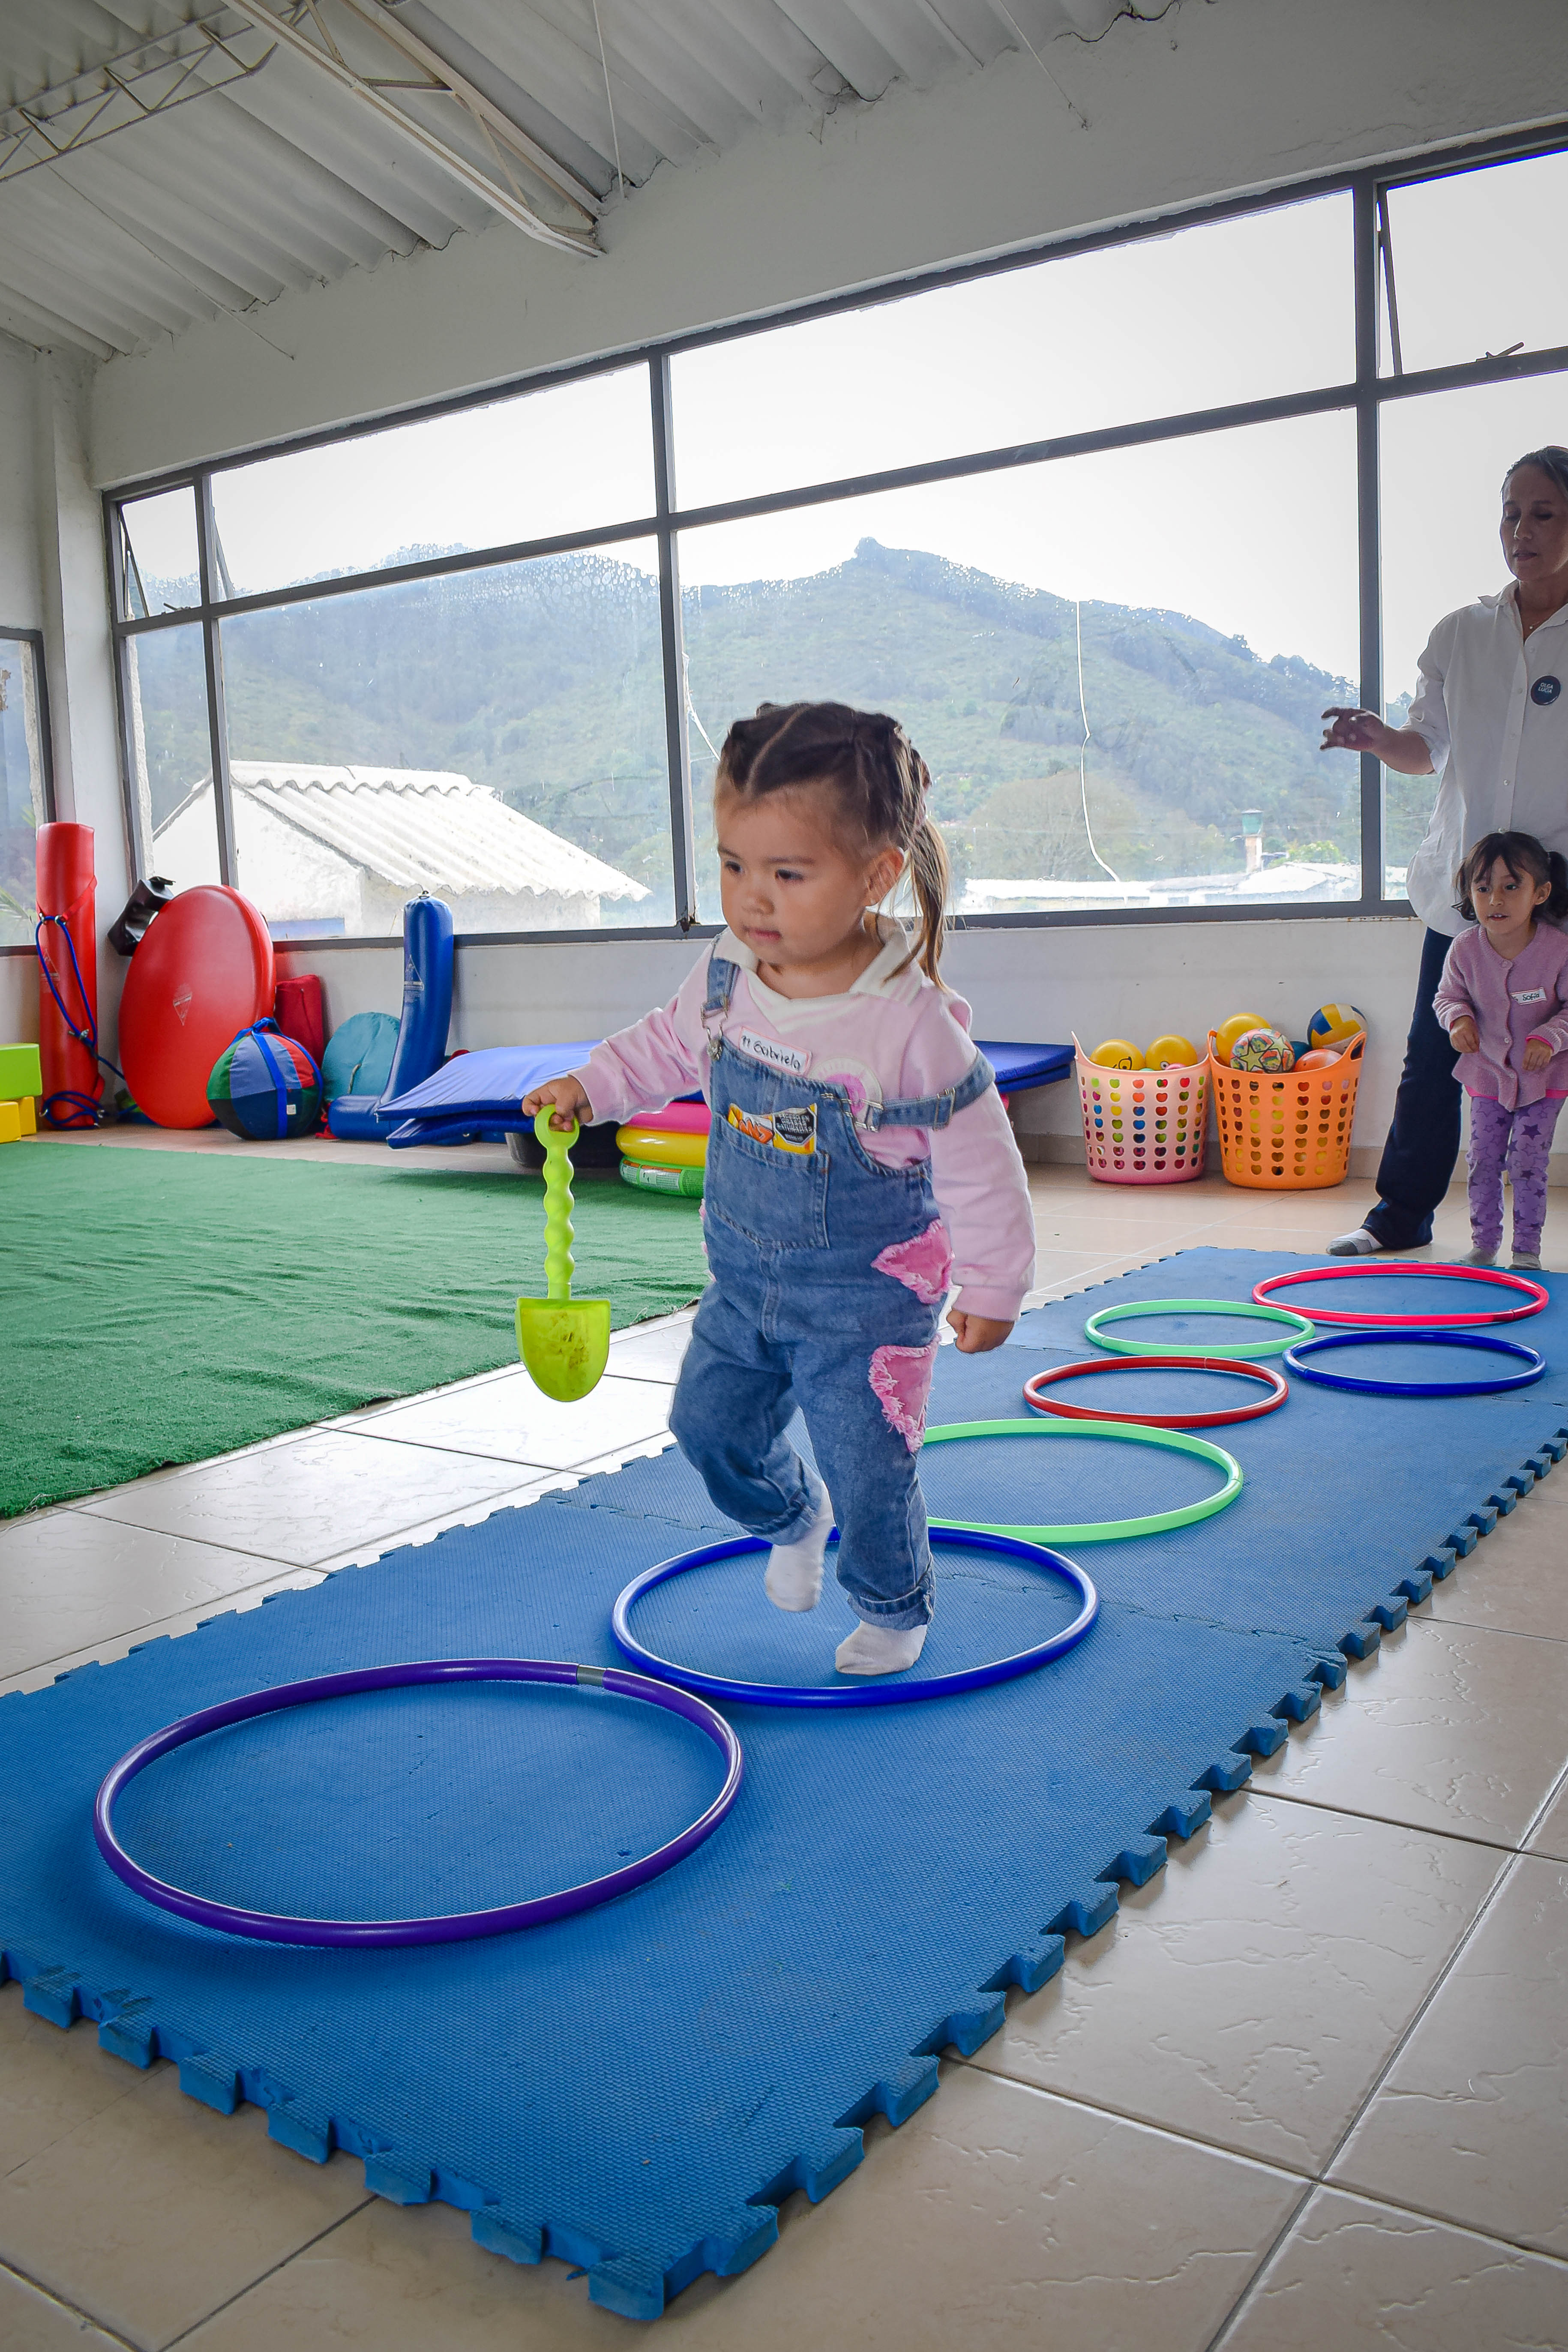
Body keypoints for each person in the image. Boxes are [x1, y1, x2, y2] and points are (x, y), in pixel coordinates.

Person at [522, 701, 1035, 1678]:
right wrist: (587, 1087)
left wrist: (995, 1284)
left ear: (875, 873)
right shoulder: (725, 976)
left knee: (869, 1466)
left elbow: (980, 1157)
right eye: (732, 865)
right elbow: (659, 1048)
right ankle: (790, 1515)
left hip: (867, 1299)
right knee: (703, 1428)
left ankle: (892, 1603)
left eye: (787, 873)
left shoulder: (904, 1024)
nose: (751, 898)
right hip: (742, 1285)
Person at [1320, 445, 1568, 1255]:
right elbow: (1424, 745)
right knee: (1436, 1052)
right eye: (1508, 511)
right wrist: (1378, 738)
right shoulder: (1460, 633)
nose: (1518, 531)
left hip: (1558, 891)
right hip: (1468, 890)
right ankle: (1397, 1217)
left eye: (1541, 513)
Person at [1432, 830, 1568, 1270]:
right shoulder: (1464, 949)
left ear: (1540, 892)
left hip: (1543, 1077)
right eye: (1483, 886)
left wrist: (1547, 1037)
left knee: (1527, 1162)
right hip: (1486, 1073)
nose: (1495, 899)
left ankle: (1525, 1251)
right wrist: (1457, 1020)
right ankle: (1483, 1245)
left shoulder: (1557, 949)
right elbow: (1446, 997)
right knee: (1482, 1159)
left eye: (1511, 886)